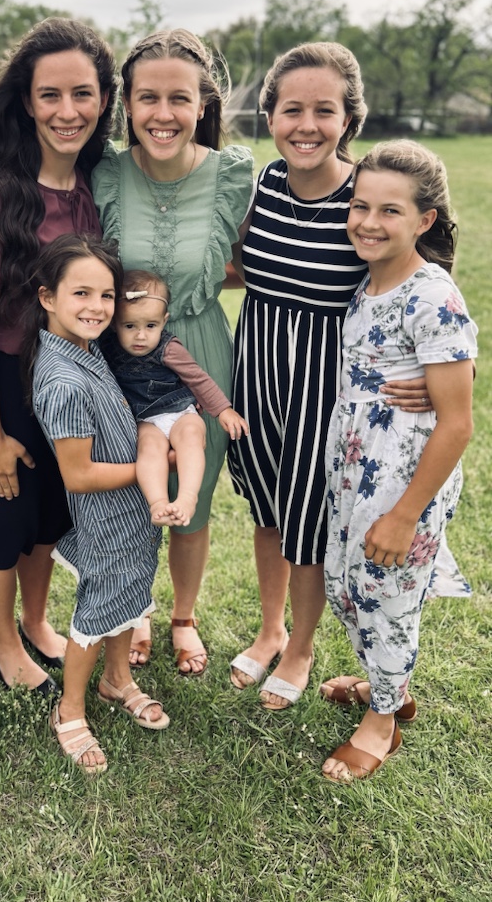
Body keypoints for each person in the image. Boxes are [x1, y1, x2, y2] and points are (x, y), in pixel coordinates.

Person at [226, 42, 445, 709]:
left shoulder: (367, 196)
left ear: (349, 119)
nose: (307, 125)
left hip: (328, 385)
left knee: (308, 522)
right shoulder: (264, 184)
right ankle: (270, 630)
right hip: (257, 368)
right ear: (269, 116)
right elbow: (241, 268)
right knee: (269, 508)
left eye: (325, 110)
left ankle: (301, 647)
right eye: (291, 109)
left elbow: (424, 278)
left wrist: (429, 373)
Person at [0, 18, 116, 694]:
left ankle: (37, 619)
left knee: (48, 519)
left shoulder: (100, 184)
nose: (67, 111)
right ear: (26, 101)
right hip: (4, 384)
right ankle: (4, 646)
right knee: (3, 522)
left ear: (103, 99)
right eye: (50, 94)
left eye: (82, 93)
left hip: (72, 385)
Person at [92, 29, 254, 674]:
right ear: (127, 104)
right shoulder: (106, 172)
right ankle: (134, 609)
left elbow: (250, 262)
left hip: (200, 347)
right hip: (120, 355)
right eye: (148, 98)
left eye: (179, 98)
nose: (163, 114)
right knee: (129, 488)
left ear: (202, 104)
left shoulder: (231, 174)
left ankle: (183, 616)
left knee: (193, 492)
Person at [318, 140, 477, 781]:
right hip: (355, 468)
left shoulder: (431, 294)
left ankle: (382, 721)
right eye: (360, 206)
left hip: (404, 479)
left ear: (424, 220)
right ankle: (388, 685)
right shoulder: (370, 280)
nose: (369, 222)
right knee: (345, 586)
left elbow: (458, 422)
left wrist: (407, 514)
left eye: (390, 210)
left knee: (387, 599)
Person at [22, 233, 168, 774]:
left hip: (133, 515)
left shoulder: (87, 349)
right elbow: (79, 475)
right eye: (81, 293)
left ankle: (117, 679)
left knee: (129, 594)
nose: (98, 307)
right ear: (47, 297)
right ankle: (70, 710)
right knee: (96, 609)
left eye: (106, 295)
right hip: (106, 517)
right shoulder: (63, 379)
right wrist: (155, 466)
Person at [99, 268, 248, 527]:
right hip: (146, 419)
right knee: (148, 449)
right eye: (130, 326)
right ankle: (158, 503)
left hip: (180, 411)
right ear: (114, 323)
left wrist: (223, 410)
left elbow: (197, 378)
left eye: (151, 326)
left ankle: (187, 498)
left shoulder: (169, 347)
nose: (141, 335)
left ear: (164, 320)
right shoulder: (109, 348)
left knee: (191, 437)